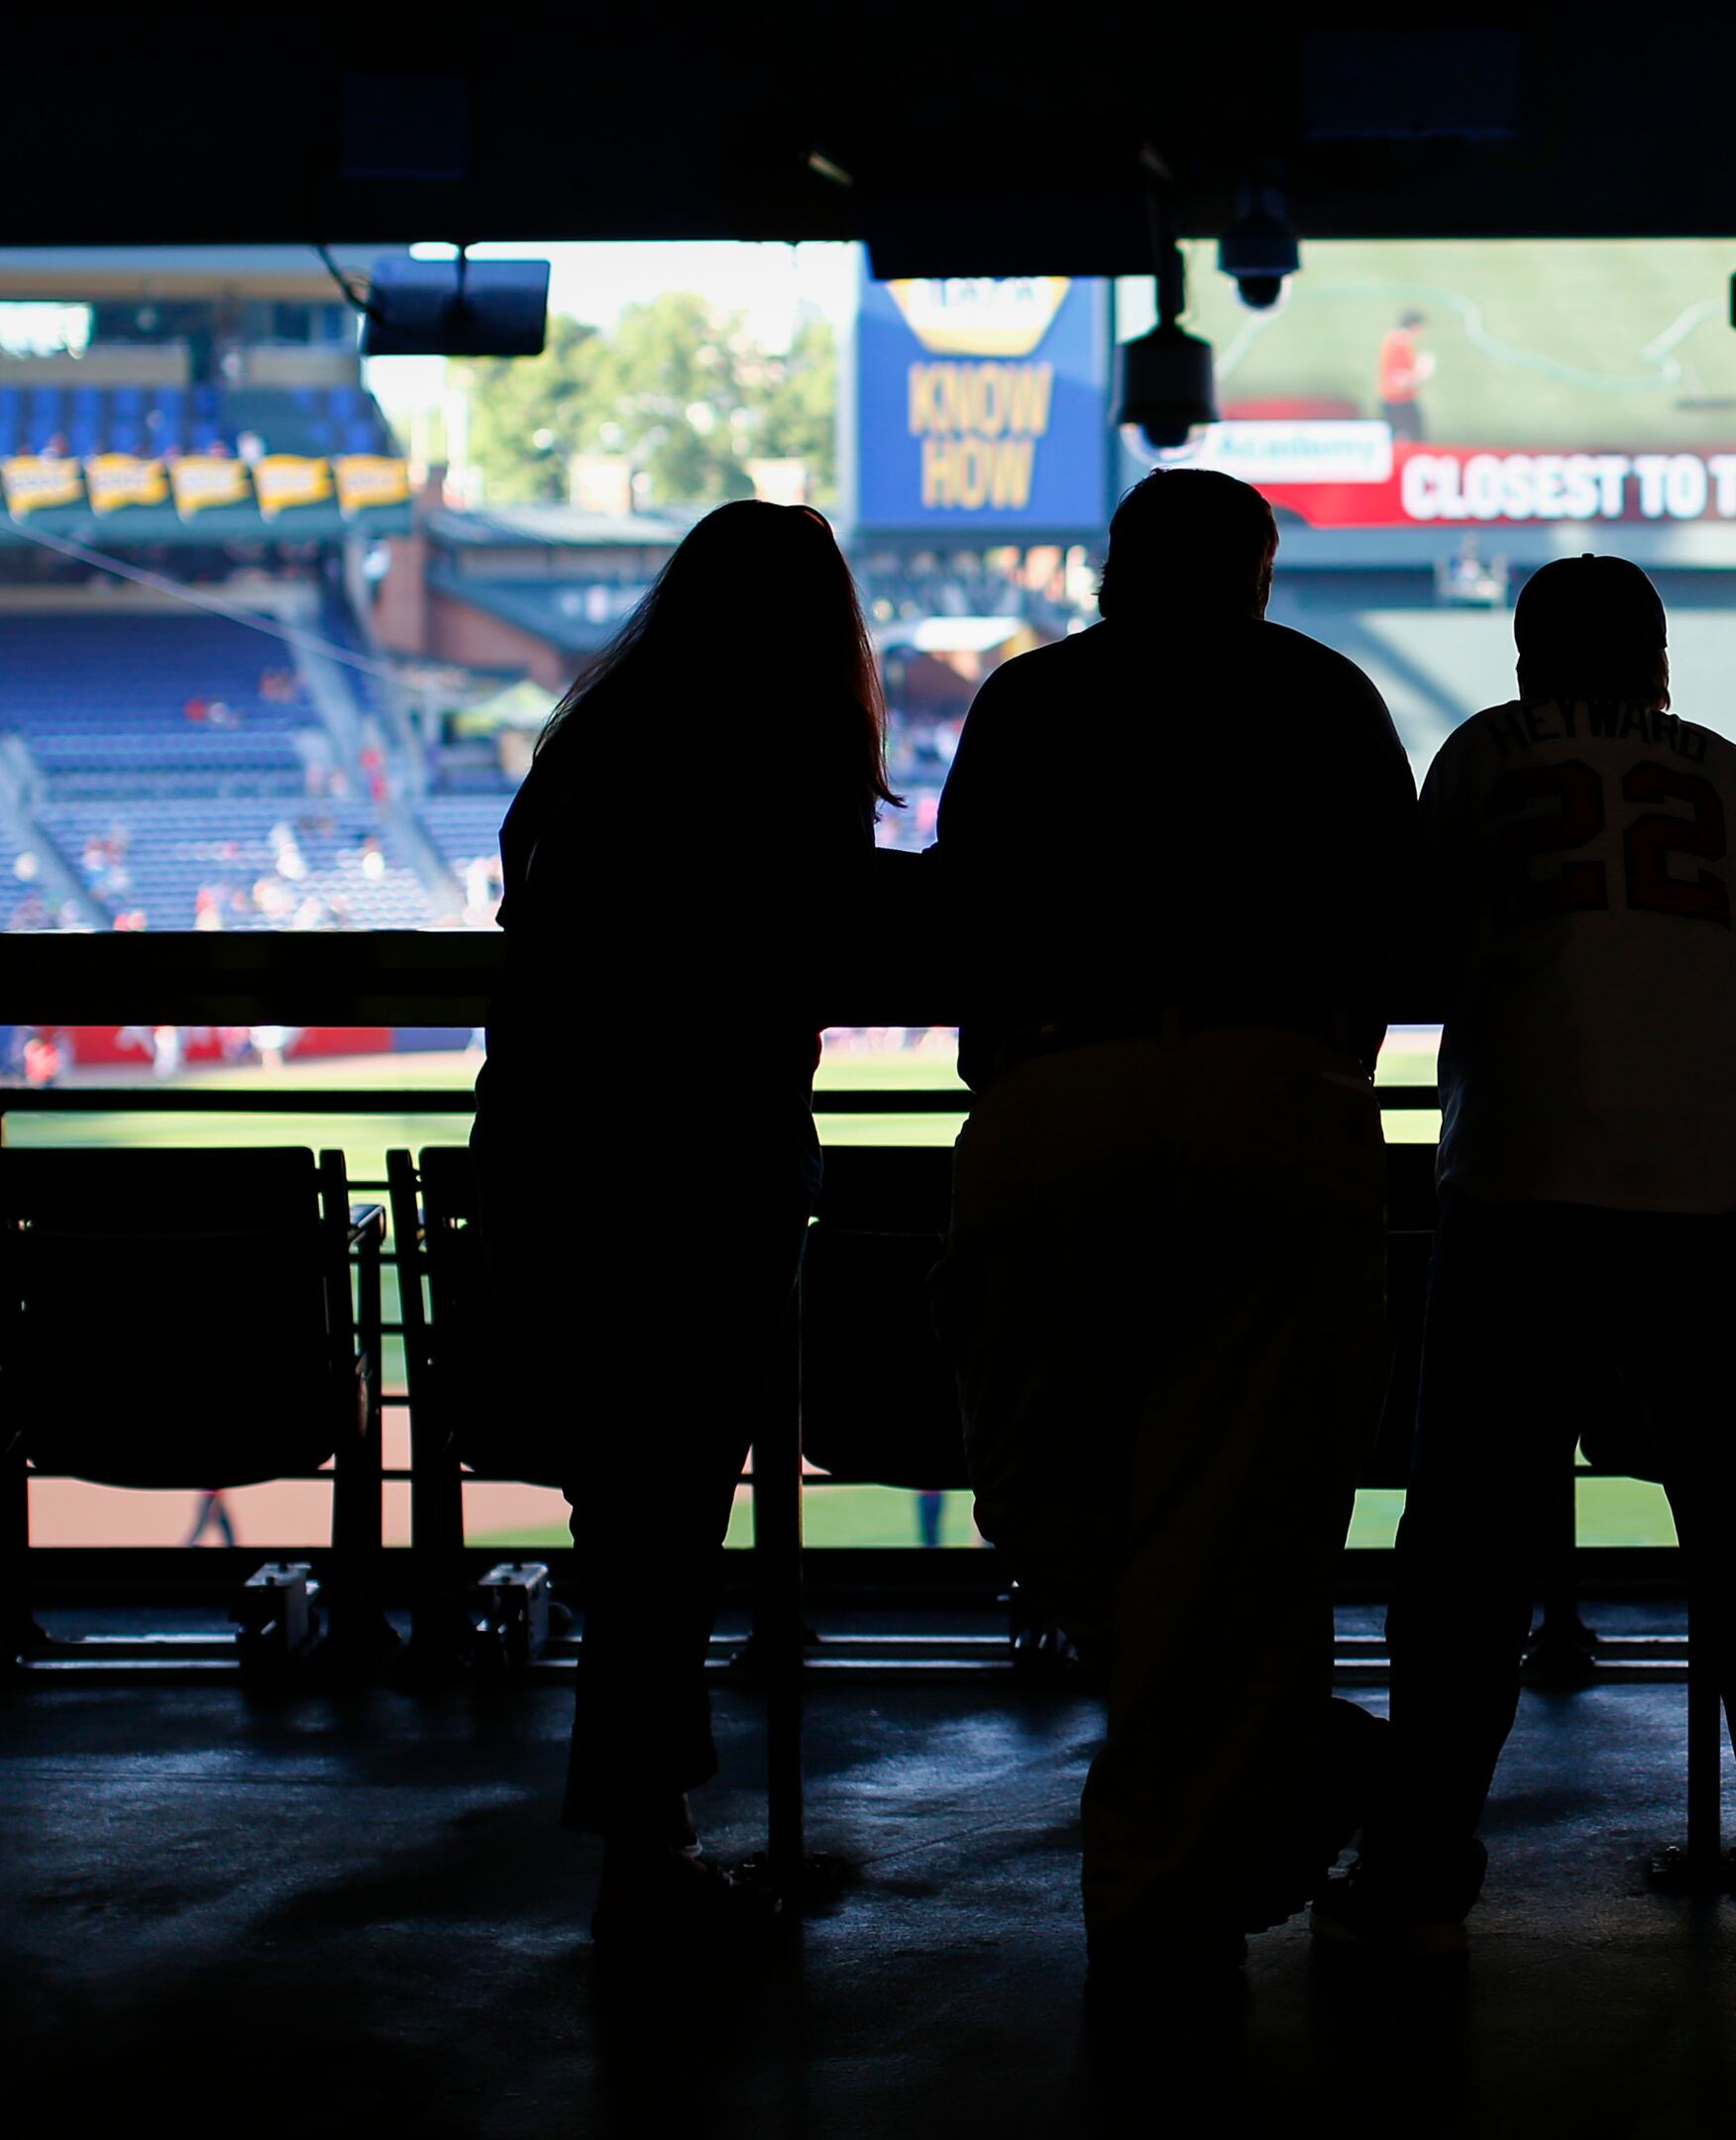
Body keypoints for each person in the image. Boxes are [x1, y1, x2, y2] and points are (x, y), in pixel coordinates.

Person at [1337, 554, 1736, 1961]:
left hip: (1517, 1182)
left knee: (1466, 1552)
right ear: (1659, 659)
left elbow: (1419, 955)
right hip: (1704, 1190)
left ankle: (1414, 1858)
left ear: (1524, 658)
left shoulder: (1480, 756)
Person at [929, 470, 1413, 1988]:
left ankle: (1171, 1890)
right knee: (1243, 1510)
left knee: (1035, 1488)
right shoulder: (1326, 693)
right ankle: (1250, 1800)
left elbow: (962, 916)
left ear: (1109, 571)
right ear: (1259, 575)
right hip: (1282, 1090)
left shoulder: (1028, 701)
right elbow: (1397, 911)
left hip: (1056, 1089)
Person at [473, 499, 911, 1951]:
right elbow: (841, 931)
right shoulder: (785, 755)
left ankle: (641, 1843)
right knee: (666, 1521)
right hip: (700, 1169)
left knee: (628, 1519)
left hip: (547, 1151)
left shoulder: (594, 744)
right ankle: (642, 1859)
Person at [1376, 310, 1435, 444]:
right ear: (1415, 326)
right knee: (1412, 438)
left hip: (1399, 399)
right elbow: (1397, 380)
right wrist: (1422, 372)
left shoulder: (1400, 343)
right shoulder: (1398, 344)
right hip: (1398, 401)